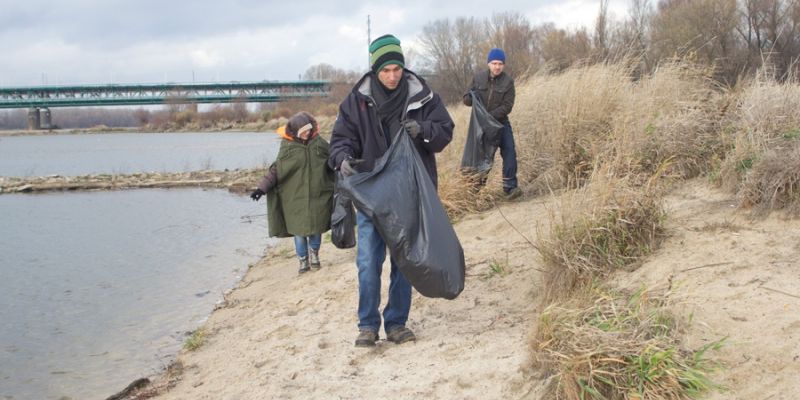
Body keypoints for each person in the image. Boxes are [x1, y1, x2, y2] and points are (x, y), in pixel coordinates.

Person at [328, 34, 455, 347]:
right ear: (375, 70)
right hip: (372, 197)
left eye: (397, 68)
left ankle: (396, 323)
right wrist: (343, 159)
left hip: (410, 196)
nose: (392, 75)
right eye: (385, 70)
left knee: (404, 263)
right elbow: (339, 142)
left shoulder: (423, 96)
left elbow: (445, 132)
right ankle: (367, 326)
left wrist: (423, 130)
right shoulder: (355, 102)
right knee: (368, 263)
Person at [251, 111, 334, 274]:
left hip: (318, 195)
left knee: (316, 228)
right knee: (299, 233)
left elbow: (333, 159)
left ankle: (315, 255)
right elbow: (277, 170)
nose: (306, 134)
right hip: (294, 199)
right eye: (303, 132)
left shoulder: (319, 143)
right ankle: (303, 261)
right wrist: (261, 188)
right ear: (295, 132)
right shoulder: (287, 147)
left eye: (308, 131)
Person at [463, 47, 520, 200]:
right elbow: (466, 100)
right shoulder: (478, 78)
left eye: (500, 63)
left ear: (504, 65)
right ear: (488, 64)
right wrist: (470, 97)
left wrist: (489, 116)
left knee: (509, 151)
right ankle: (475, 193)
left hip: (501, 124)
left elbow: (508, 106)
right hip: (482, 126)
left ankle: (510, 188)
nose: (497, 66)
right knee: (483, 157)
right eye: (494, 63)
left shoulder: (508, 82)